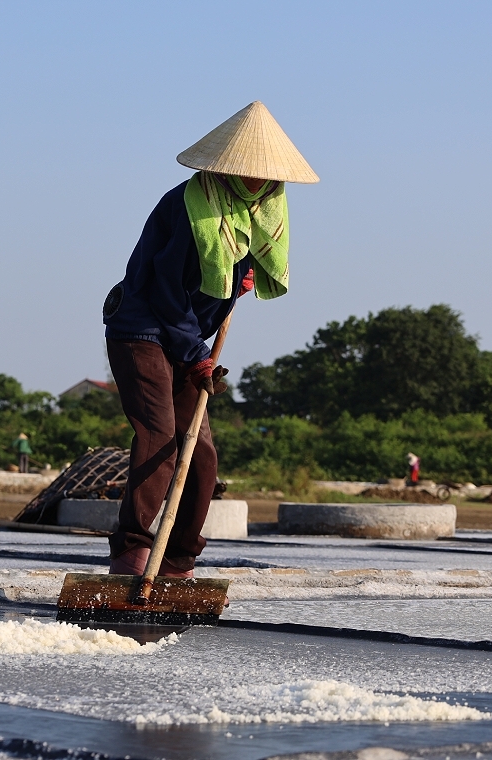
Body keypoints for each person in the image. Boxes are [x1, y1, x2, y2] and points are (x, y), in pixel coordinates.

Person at [102, 101, 318, 578]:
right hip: (142, 330)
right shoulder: (189, 205)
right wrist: (197, 356)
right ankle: (133, 551)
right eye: (250, 174)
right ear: (226, 169)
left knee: (201, 453)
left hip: (184, 340)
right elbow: (163, 288)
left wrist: (240, 277)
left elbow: (218, 272)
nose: (260, 183)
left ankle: (178, 561)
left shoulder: (258, 212)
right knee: (158, 436)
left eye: (267, 176)